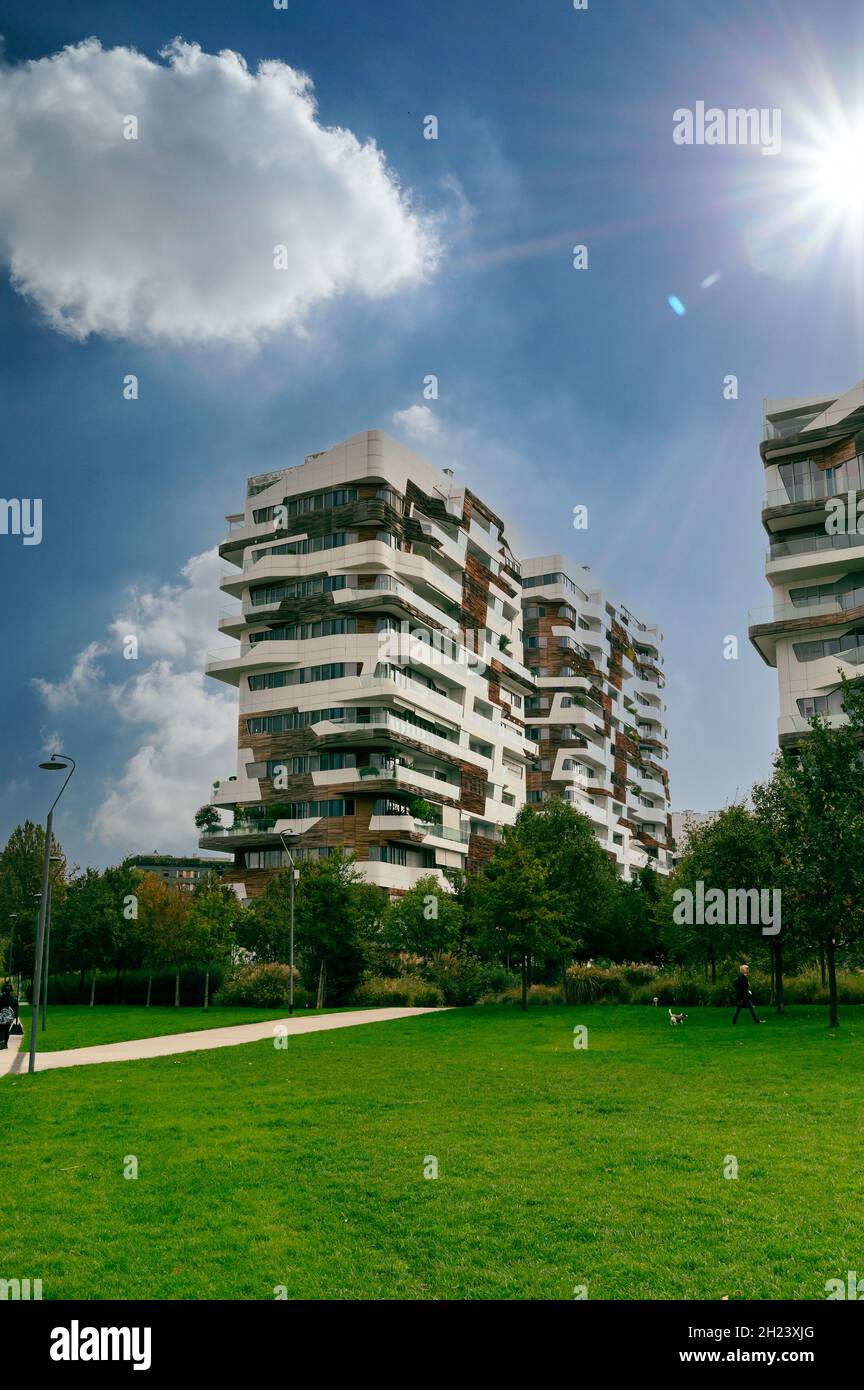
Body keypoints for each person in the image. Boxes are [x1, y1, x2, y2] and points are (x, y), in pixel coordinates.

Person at [0, 980, 16, 1050]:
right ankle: (5, 1044)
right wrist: (15, 1015)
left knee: (1, 1029)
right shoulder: (13, 999)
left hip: (2, 1016)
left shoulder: (1, 999)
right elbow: (15, 1008)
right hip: (9, 1016)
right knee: (7, 1030)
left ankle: (1, 1042)